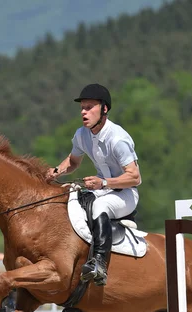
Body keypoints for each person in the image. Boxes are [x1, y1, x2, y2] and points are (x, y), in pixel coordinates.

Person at [47, 83, 142, 286]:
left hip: (125, 194)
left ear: (104, 109)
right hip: (104, 190)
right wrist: (55, 172)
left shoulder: (117, 139)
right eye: (82, 107)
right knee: (68, 196)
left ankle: (99, 264)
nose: (83, 112)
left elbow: (135, 177)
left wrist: (104, 182)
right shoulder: (82, 134)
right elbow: (73, 163)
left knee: (100, 206)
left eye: (89, 107)